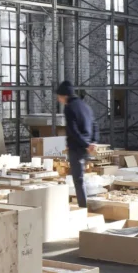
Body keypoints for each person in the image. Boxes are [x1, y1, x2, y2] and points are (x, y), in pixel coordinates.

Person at [56, 80, 99, 208]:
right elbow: (95, 124)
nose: (59, 100)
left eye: (59, 97)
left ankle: (83, 208)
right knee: (80, 177)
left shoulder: (69, 108)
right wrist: (93, 142)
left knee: (78, 179)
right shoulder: (85, 106)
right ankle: (83, 205)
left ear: (65, 95)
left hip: (77, 148)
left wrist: (86, 144)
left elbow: (73, 130)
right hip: (86, 147)